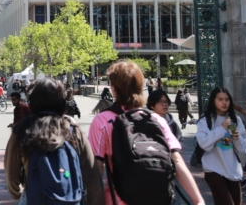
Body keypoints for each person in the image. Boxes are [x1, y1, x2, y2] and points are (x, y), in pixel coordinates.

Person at [88, 60, 205, 205]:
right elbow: (177, 160)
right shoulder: (156, 119)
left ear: (114, 88)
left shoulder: (103, 121)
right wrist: (198, 199)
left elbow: (96, 170)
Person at [4, 78, 105, 204]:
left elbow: (11, 175)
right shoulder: (74, 131)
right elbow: (92, 177)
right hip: (71, 199)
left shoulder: (22, 131)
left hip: (33, 197)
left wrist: (18, 193)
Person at [196, 87, 246, 205]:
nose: (224, 103)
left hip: (232, 170)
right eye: (220, 99)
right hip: (213, 168)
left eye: (227, 99)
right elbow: (204, 144)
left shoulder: (236, 120)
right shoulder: (205, 120)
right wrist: (221, 128)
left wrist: (237, 138)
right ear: (213, 101)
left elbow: (243, 149)